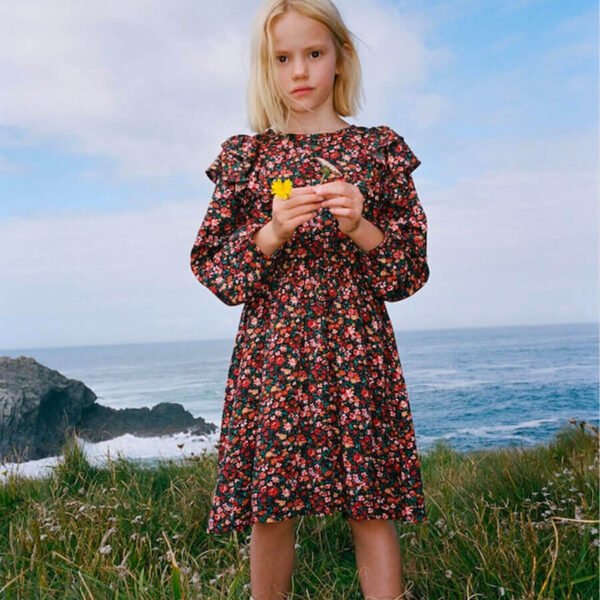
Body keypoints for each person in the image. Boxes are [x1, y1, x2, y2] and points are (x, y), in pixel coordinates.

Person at [190, 0, 430, 598]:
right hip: (274, 353)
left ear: (341, 58)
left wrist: (361, 227)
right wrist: (271, 232)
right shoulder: (248, 157)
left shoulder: (378, 150)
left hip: (357, 350)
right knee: (271, 507)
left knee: (372, 505)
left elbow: (409, 274)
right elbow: (214, 270)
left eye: (314, 53)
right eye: (282, 58)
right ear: (266, 67)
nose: (299, 71)